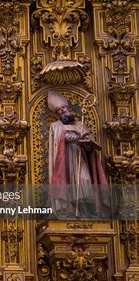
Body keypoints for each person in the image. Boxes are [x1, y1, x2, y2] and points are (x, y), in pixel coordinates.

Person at [48, 90, 109, 218]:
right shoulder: (56, 126)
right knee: (68, 185)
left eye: (64, 108)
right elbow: (57, 142)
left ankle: (86, 213)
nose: (62, 110)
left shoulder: (80, 124)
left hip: (80, 156)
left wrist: (86, 142)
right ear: (57, 114)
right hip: (65, 160)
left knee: (84, 179)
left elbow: (89, 145)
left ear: (68, 108)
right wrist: (71, 138)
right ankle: (70, 211)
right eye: (59, 110)